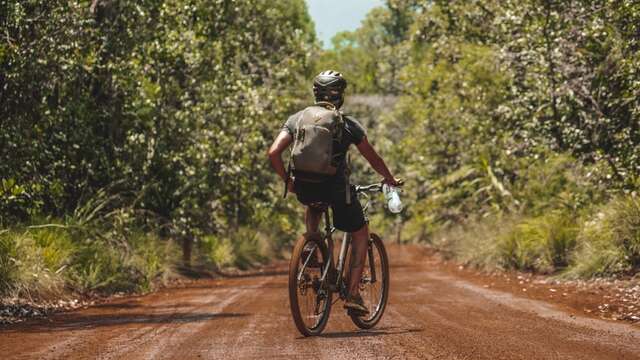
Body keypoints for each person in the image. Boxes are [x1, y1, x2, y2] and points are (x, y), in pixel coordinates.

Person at [267, 70, 401, 314]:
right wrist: (389, 179)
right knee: (360, 232)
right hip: (337, 191)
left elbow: (273, 153)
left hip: (304, 187)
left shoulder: (297, 119)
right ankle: (352, 294)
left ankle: (311, 242)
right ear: (340, 95)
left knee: (313, 203)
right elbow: (373, 157)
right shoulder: (347, 123)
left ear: (315, 92)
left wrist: (288, 181)